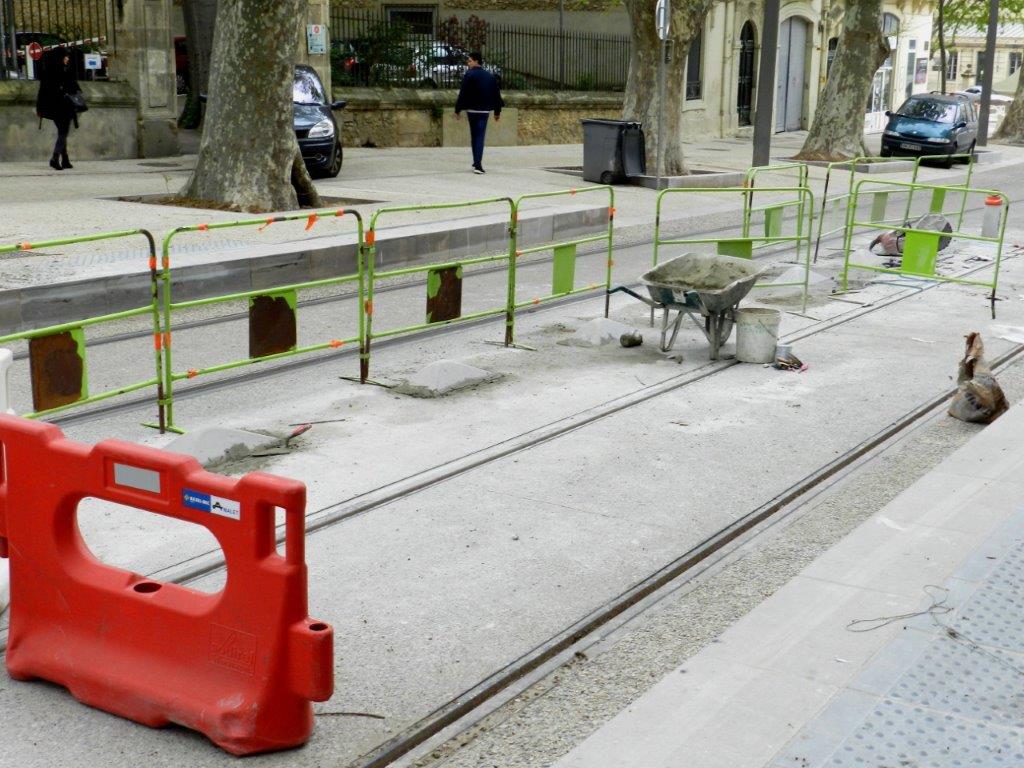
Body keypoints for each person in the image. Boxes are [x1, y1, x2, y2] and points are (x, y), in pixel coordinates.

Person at [454, 51, 503, 174]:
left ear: (476, 61)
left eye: (470, 60)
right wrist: (497, 112)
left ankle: (477, 163)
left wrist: (458, 109)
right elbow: (496, 94)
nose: (468, 63)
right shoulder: (489, 76)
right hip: (484, 110)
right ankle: (477, 163)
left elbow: (463, 93)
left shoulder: (469, 75)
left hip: (471, 110)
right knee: (480, 136)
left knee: (474, 135)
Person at [36, 47, 82, 171]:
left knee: (62, 131)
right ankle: (55, 158)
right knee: (63, 132)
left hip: (55, 107)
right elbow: (73, 88)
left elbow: (41, 93)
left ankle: (65, 159)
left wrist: (40, 108)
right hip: (62, 107)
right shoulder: (62, 72)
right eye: (65, 56)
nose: (67, 59)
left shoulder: (49, 72)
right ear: (59, 58)